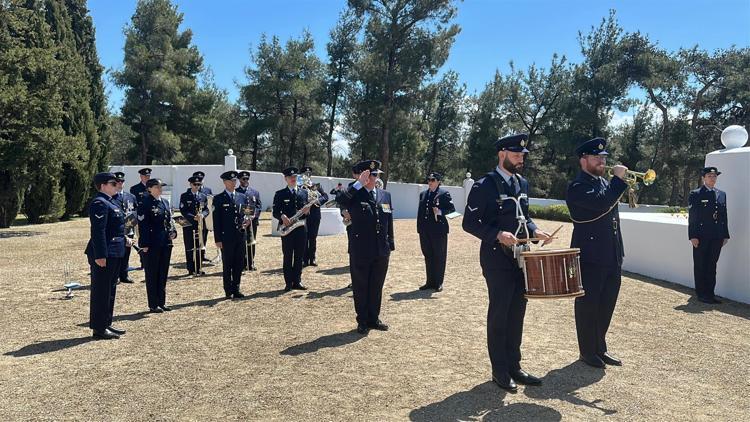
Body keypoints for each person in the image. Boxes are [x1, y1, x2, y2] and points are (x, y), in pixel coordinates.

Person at [462, 133, 551, 393]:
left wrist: (535, 231)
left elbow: (525, 216)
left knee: (517, 313)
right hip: (496, 258)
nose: (521, 158)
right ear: (502, 154)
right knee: (500, 314)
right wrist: (497, 234)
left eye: (522, 155)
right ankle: (499, 370)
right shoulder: (484, 185)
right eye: (516, 154)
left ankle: (514, 366)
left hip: (521, 258)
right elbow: (469, 223)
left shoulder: (522, 183)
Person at [566, 137, 628, 369]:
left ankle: (600, 346)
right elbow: (602, 204)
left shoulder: (603, 183)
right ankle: (587, 351)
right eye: (596, 157)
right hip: (590, 254)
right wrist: (618, 180)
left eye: (603, 157)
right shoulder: (578, 187)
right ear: (583, 160)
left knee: (607, 302)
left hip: (612, 252)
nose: (602, 161)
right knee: (588, 304)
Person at [337, 160, 395, 334]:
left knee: (377, 285)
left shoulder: (385, 195)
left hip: (381, 248)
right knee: (361, 285)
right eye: (372, 175)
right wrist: (358, 183)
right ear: (365, 176)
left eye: (377, 175)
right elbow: (340, 200)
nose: (376, 178)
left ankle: (373, 318)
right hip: (361, 248)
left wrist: (390, 243)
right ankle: (362, 320)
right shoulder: (354, 193)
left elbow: (389, 221)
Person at [85, 172, 128, 340]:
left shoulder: (112, 202)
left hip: (115, 251)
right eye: (113, 183)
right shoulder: (99, 203)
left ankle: (106, 323)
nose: (117, 185)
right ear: (103, 185)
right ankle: (99, 328)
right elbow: (98, 231)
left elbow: (115, 228)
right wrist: (100, 255)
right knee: (101, 291)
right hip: (105, 254)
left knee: (110, 289)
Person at [688, 166, 730, 304]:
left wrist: (725, 234)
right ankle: (701, 294)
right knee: (700, 264)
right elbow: (693, 216)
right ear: (703, 178)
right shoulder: (696, 194)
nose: (712, 178)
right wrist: (693, 236)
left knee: (712, 265)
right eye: (709, 176)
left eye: (714, 176)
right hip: (701, 236)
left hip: (717, 235)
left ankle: (710, 294)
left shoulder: (722, 194)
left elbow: (724, 216)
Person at [137, 178, 177, 313]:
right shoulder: (145, 203)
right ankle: (153, 304)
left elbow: (169, 220)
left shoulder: (165, 202)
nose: (160, 189)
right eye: (157, 187)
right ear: (149, 189)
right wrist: (144, 244)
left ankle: (162, 302)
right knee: (152, 274)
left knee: (163, 273)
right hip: (152, 243)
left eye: (161, 187)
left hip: (165, 242)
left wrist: (173, 232)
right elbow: (143, 226)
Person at [213, 170, 249, 298]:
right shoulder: (218, 198)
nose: (234, 183)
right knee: (228, 264)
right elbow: (216, 221)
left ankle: (236, 288)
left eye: (235, 180)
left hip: (240, 235)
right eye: (231, 181)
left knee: (239, 263)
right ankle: (228, 290)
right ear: (225, 182)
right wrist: (218, 239)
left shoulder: (242, 196)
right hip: (226, 237)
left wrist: (247, 220)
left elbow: (247, 213)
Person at [272, 167, 310, 291]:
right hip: (287, 229)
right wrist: (282, 216)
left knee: (299, 256)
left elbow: (306, 213)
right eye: (290, 177)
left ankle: (297, 281)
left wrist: (307, 211)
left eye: (295, 177)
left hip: (300, 229)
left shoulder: (304, 193)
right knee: (288, 256)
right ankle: (288, 283)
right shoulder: (280, 194)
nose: (293, 179)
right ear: (286, 179)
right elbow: (275, 211)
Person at [417, 172, 456, 292]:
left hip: (439, 230)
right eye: (428, 180)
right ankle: (430, 282)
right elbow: (420, 212)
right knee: (428, 255)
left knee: (439, 256)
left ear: (438, 181)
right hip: (425, 231)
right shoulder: (423, 194)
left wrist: (440, 212)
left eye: (433, 180)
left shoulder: (444, 193)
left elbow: (452, 210)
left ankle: (438, 282)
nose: (430, 182)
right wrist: (419, 228)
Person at [179, 176, 209, 276]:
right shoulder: (184, 196)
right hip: (188, 224)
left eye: (199, 184)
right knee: (189, 246)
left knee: (200, 246)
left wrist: (202, 215)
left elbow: (206, 209)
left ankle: (199, 267)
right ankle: (191, 268)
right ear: (190, 184)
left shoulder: (203, 196)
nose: (197, 186)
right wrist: (193, 217)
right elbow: (183, 210)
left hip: (200, 224)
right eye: (195, 184)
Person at [300, 166, 329, 267]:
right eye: (305, 174)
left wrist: (318, 201)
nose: (307, 176)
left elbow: (325, 196)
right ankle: (304, 259)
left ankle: (312, 259)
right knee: (304, 237)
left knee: (313, 238)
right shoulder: (299, 186)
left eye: (309, 174)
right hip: (303, 215)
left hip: (315, 215)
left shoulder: (316, 186)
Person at [112, 171, 138, 284]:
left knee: (126, 253)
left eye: (122, 181)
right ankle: (115, 275)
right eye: (117, 181)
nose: (120, 183)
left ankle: (124, 274)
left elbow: (135, 211)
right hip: (117, 230)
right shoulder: (111, 197)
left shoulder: (130, 197)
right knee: (117, 253)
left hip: (129, 229)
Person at [236, 170, 262, 271]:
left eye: (247, 178)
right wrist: (243, 217)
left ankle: (251, 263)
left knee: (251, 242)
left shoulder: (255, 192)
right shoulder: (237, 192)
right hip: (241, 222)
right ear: (239, 180)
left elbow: (259, 206)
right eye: (244, 179)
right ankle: (242, 263)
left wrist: (253, 216)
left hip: (252, 222)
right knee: (242, 243)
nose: (246, 180)